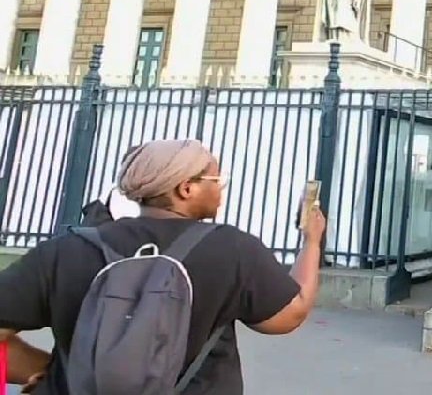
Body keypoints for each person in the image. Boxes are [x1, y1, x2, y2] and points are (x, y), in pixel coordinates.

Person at [0, 138, 326, 394]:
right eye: (217, 179)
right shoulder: (231, 249)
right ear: (186, 188)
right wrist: (312, 242)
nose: (221, 188)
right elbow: (288, 316)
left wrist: (47, 370)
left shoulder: (66, 249)